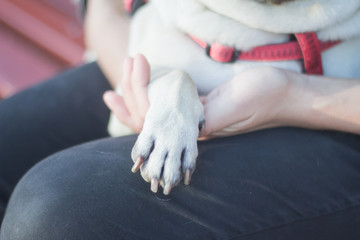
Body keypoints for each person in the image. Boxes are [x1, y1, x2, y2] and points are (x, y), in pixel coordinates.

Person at [1, 0, 360, 239]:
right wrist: (145, 82)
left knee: (55, 209)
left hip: (337, 109)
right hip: (167, 41)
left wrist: (292, 96)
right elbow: (106, 10)